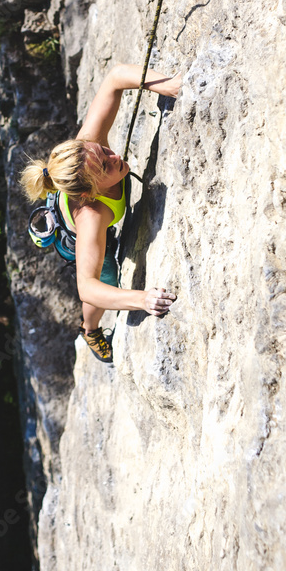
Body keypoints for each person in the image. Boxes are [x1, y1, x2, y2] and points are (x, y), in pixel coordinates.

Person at [20, 63, 180, 362]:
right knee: (106, 276)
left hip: (78, 200)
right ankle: (90, 330)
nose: (114, 155)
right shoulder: (91, 217)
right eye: (106, 166)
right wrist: (142, 299)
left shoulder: (89, 145)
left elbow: (116, 77)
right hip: (73, 237)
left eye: (103, 152)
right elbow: (88, 289)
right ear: (89, 193)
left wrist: (166, 84)